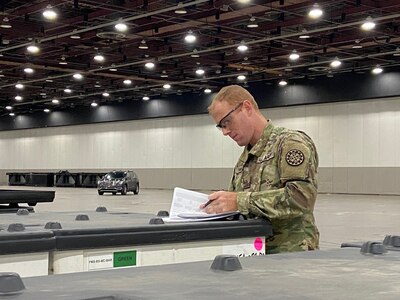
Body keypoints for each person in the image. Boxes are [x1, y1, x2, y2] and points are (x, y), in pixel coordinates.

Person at [202, 85, 319, 254]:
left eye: (227, 122)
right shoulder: (246, 158)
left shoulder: (290, 143)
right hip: (254, 254)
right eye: (221, 126)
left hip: (291, 257)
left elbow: (301, 198)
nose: (225, 132)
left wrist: (239, 201)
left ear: (247, 108)